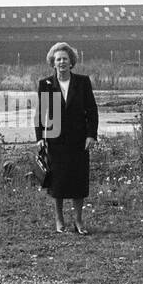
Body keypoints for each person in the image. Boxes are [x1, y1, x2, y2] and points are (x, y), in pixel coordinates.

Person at [35, 41, 99, 234]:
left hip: (79, 140)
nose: (62, 62)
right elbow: (41, 113)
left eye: (65, 59)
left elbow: (92, 111)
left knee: (78, 181)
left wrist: (91, 135)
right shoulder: (45, 84)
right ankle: (59, 220)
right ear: (53, 63)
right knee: (58, 182)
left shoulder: (82, 82)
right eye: (58, 59)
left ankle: (79, 221)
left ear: (71, 62)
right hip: (55, 139)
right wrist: (39, 137)